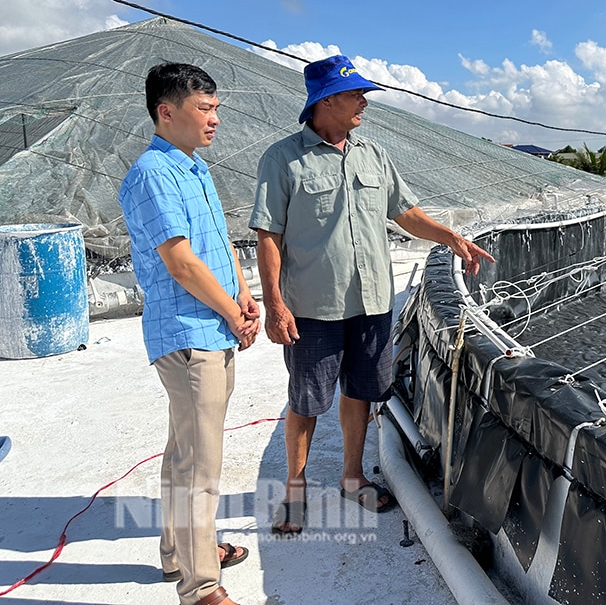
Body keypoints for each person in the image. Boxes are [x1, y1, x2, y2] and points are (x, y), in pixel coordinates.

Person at [250, 54, 494, 535]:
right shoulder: (282, 159)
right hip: (314, 308)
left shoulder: (373, 155)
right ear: (325, 100)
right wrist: (274, 303)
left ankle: (352, 476)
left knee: (360, 392)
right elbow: (268, 235)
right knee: (305, 400)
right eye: (354, 93)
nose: (364, 101)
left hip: (372, 303)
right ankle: (295, 491)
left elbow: (404, 212)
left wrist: (451, 237)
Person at [119, 63, 261, 605]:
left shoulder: (195, 169)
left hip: (213, 324)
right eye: (205, 108)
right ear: (166, 111)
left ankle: (179, 553)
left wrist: (245, 295)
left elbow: (219, 242)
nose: (215, 118)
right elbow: (179, 262)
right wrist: (230, 312)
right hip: (188, 332)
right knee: (201, 463)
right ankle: (201, 587)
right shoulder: (153, 173)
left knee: (185, 449)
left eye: (216, 108)